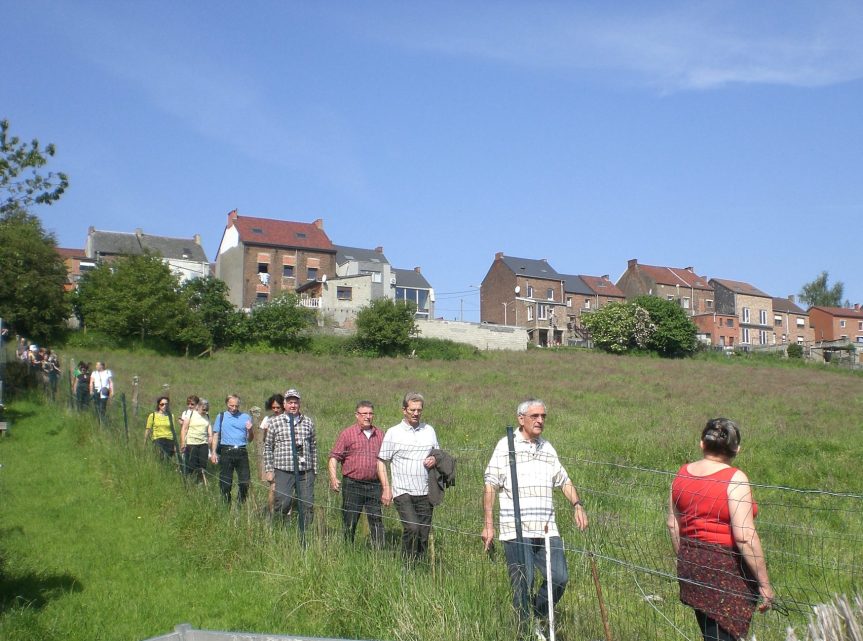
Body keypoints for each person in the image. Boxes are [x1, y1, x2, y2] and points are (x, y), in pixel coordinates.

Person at [481, 399, 588, 640]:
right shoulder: (506, 446)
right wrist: (488, 524)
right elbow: (490, 485)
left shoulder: (547, 447)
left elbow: (564, 480)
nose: (540, 420)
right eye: (534, 416)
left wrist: (577, 505)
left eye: (543, 416)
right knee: (523, 583)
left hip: (547, 528)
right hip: (515, 529)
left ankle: (536, 615)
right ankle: (525, 631)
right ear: (521, 419)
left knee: (559, 578)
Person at [668, 418, 774, 641]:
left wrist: (688, 559)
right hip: (727, 572)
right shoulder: (735, 480)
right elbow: (745, 537)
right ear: (736, 449)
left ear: (702, 444)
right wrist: (764, 584)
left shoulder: (682, 473)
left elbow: (673, 524)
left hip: (691, 565)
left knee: (711, 633)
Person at [377, 392, 440, 562]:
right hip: (403, 492)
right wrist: (386, 488)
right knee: (412, 528)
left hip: (425, 492)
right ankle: (406, 566)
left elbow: (437, 454)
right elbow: (382, 461)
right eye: (412, 409)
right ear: (404, 410)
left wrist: (434, 458)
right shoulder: (393, 433)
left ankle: (420, 565)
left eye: (419, 410)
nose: (416, 413)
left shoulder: (429, 430)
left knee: (424, 533)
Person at [328, 400, 385, 547]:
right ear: (356, 415)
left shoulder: (380, 435)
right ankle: (348, 550)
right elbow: (334, 457)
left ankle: (379, 554)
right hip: (352, 484)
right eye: (364, 413)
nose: (367, 416)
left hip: (374, 485)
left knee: (376, 520)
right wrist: (333, 477)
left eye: (370, 413)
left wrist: (386, 487)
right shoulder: (347, 434)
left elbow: (384, 461)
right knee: (350, 520)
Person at [264, 389, 317, 529]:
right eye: (290, 402)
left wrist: (314, 470)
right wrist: (269, 470)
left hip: (305, 471)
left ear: (299, 404)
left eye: (296, 402)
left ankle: (305, 532)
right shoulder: (275, 422)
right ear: (285, 404)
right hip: (283, 469)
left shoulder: (308, 422)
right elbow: (268, 446)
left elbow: (313, 446)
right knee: (283, 502)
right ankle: (278, 527)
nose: (293, 405)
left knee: (307, 503)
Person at [212, 395, 254, 505]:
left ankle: (240, 505)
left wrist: (250, 430)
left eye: (236, 405)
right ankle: (226, 506)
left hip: (241, 451)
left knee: (245, 482)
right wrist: (213, 452)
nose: (234, 408)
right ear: (227, 404)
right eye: (231, 405)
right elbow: (215, 435)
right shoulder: (221, 416)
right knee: (225, 483)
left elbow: (250, 439)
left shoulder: (246, 417)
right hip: (226, 451)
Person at [258, 394, 284, 514]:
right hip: (271, 456)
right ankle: (271, 511)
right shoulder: (267, 419)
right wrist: (267, 433)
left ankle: (284, 511)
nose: (276, 410)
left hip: (284, 457)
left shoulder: (287, 419)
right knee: (273, 486)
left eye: (278, 407)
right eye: (273, 407)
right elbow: (263, 440)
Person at [180, 398, 212, 482]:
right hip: (191, 443)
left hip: (203, 444)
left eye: (207, 409)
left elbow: (209, 427)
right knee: (191, 464)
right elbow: (184, 429)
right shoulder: (190, 415)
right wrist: (183, 443)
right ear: (198, 407)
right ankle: (189, 481)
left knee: (203, 464)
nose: (205, 411)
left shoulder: (207, 416)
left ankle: (200, 482)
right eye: (203, 409)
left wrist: (210, 437)